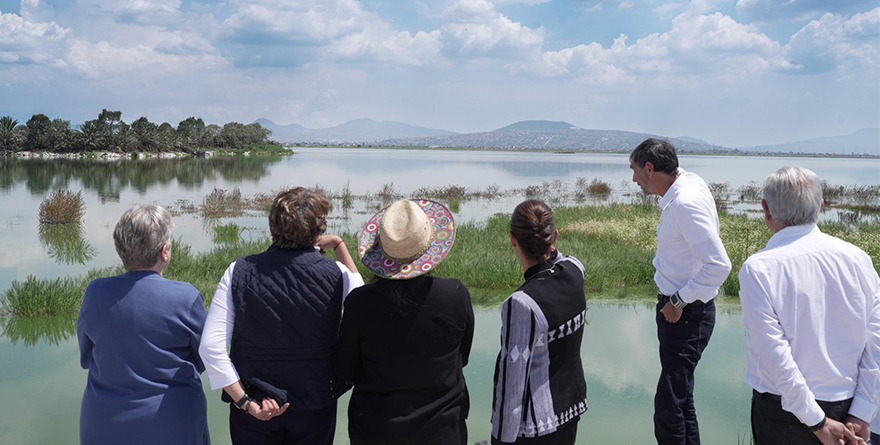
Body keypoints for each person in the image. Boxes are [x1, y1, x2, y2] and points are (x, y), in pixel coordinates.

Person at [198, 187, 363, 444]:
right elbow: (361, 304)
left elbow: (210, 347)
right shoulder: (337, 274)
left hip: (254, 405)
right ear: (319, 228)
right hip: (315, 404)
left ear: (273, 225)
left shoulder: (238, 271)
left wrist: (244, 401)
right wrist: (340, 246)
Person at [739, 166, 880, 445]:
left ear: (765, 210)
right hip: (849, 406)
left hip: (785, 415)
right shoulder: (857, 259)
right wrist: (863, 411)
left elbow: (775, 357)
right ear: (821, 206)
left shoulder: (760, 268)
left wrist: (816, 421)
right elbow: (876, 341)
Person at [336, 199, 474, 445]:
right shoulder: (455, 294)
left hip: (377, 431)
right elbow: (461, 358)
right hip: (443, 431)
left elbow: (346, 370)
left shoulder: (360, 303)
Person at [78, 204, 210, 445]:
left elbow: (87, 356)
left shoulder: (95, 293)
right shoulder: (186, 297)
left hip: (103, 424)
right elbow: (205, 359)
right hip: (172, 424)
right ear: (165, 252)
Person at [629, 138, 732, 445]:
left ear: (649, 169)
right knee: (681, 399)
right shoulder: (688, 183)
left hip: (685, 315)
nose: (634, 180)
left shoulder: (685, 203)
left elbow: (719, 265)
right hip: (683, 313)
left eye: (635, 171)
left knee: (668, 406)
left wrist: (677, 300)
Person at [490, 199, 588, 445]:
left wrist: (500, 440)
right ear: (554, 236)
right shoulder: (576, 270)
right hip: (571, 411)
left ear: (513, 240)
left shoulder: (521, 304)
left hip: (536, 428)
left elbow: (511, 386)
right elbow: (560, 261)